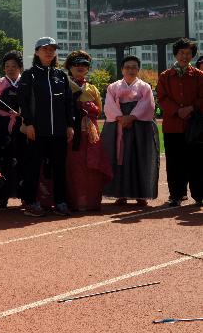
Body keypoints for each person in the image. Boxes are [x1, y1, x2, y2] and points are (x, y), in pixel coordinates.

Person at [17, 37, 75, 217]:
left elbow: (68, 102)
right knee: (33, 167)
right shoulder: (29, 75)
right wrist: (29, 124)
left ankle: (60, 202)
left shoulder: (61, 75)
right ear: (36, 52)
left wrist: (70, 125)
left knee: (59, 167)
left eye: (52, 49)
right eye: (44, 49)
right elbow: (23, 102)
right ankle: (31, 202)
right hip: (37, 130)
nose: (49, 52)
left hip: (59, 130)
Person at [102, 55, 159, 205]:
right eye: (127, 67)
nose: (131, 70)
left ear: (139, 69)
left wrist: (132, 117)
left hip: (139, 126)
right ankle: (121, 194)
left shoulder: (145, 87)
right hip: (118, 125)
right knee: (119, 158)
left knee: (139, 158)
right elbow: (108, 106)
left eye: (134, 67)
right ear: (122, 70)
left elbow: (148, 105)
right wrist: (121, 118)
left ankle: (141, 194)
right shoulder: (112, 87)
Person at [156, 38, 203, 207]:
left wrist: (190, 108)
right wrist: (177, 110)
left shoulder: (199, 76)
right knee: (175, 162)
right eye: (182, 52)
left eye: (188, 53)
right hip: (172, 126)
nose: (185, 56)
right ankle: (176, 195)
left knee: (196, 161)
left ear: (192, 56)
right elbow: (162, 98)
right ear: (176, 54)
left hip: (194, 127)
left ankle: (199, 195)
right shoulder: (165, 76)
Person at [63, 51, 112, 211]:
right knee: (73, 166)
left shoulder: (92, 88)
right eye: (76, 64)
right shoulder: (64, 84)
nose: (80, 67)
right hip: (72, 132)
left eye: (84, 64)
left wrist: (91, 108)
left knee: (91, 166)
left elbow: (99, 109)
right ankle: (75, 201)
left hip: (90, 132)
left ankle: (91, 201)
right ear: (69, 67)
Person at [0, 51, 25, 209]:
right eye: (7, 66)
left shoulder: (24, 82)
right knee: (2, 161)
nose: (10, 69)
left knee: (22, 159)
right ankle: (1, 196)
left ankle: (24, 195)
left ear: (20, 68)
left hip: (21, 124)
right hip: (3, 124)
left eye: (14, 66)